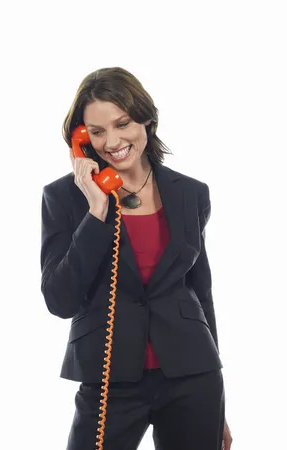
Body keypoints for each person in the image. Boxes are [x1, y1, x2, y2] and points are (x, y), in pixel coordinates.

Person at [40, 67, 232, 450]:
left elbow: (201, 290)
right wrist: (96, 210)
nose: (112, 141)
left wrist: (218, 405)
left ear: (147, 119)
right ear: (82, 138)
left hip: (193, 376)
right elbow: (59, 300)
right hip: (109, 377)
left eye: (122, 123)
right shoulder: (63, 197)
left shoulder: (190, 193)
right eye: (96, 132)